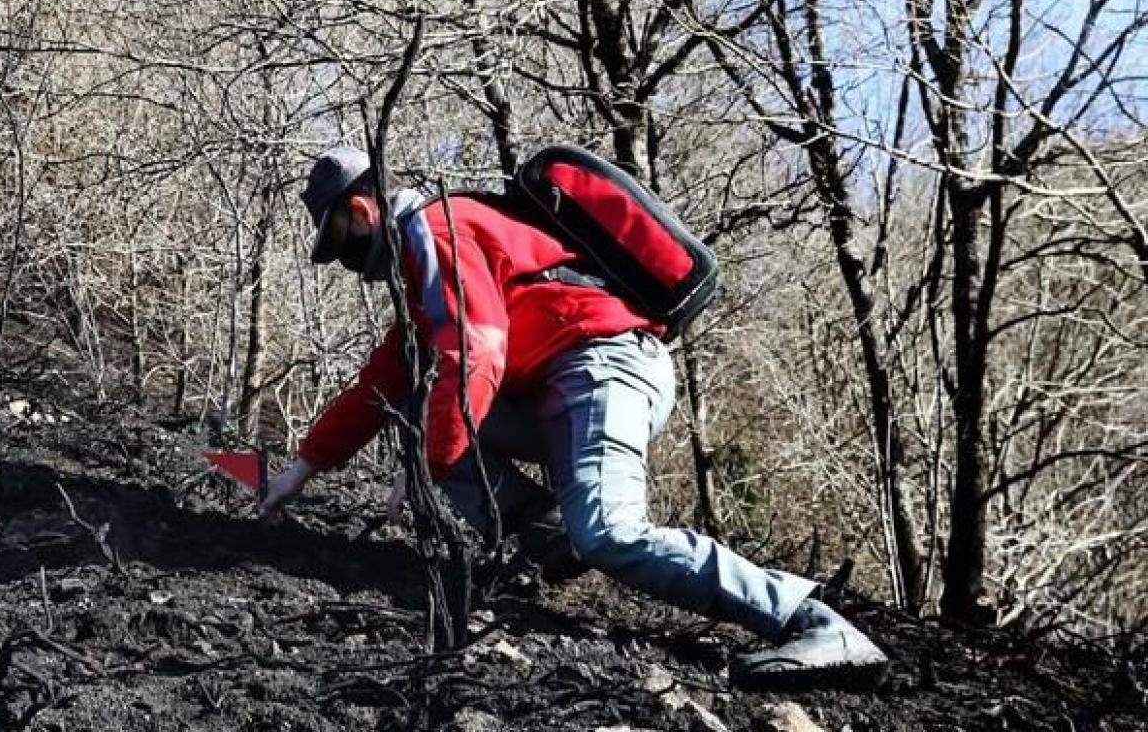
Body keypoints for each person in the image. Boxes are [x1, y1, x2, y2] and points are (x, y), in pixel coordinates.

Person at [257, 146, 887, 687]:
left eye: (339, 241)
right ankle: (549, 542)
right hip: (561, 383)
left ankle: (814, 623)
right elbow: (387, 378)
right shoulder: (425, 259)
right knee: (422, 410)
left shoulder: (436, 234)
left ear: (363, 212)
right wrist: (303, 469)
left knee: (611, 533)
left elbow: (476, 351)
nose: (345, 263)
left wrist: (431, 465)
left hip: (603, 367)